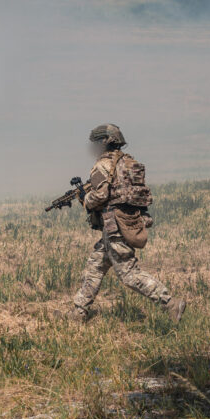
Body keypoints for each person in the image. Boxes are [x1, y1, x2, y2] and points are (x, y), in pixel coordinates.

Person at [71, 123, 186, 324]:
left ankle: (170, 303)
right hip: (125, 222)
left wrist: (84, 198)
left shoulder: (103, 165)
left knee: (129, 274)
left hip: (115, 226)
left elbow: (99, 196)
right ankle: (79, 312)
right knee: (95, 267)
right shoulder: (128, 162)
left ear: (102, 143)